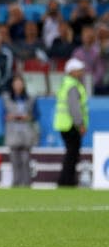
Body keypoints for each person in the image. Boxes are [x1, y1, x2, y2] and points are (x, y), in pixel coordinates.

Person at [53, 58, 88, 187]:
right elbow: (74, 107)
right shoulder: (73, 86)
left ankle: (67, 180)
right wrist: (80, 124)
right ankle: (67, 181)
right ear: (72, 71)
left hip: (65, 124)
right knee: (72, 154)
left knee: (70, 153)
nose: (81, 72)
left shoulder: (66, 83)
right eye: (79, 70)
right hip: (71, 125)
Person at [3, 75, 38, 187]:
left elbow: (37, 114)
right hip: (12, 133)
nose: (18, 86)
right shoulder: (6, 98)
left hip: (26, 133)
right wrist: (8, 116)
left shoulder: (30, 99)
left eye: (20, 83)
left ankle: (27, 184)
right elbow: (1, 115)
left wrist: (29, 117)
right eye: (16, 83)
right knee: (14, 161)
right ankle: (16, 183)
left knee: (25, 160)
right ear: (12, 85)